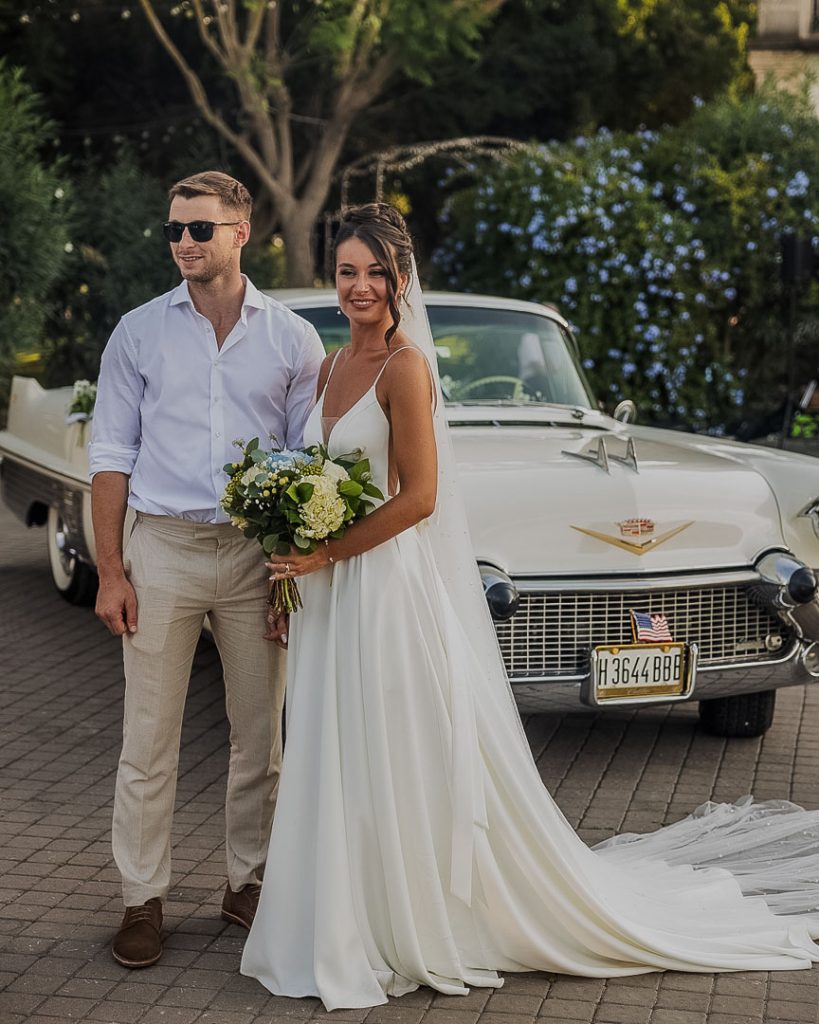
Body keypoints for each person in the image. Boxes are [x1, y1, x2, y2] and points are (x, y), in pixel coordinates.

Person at [241, 203, 819, 1010]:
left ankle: (400, 919)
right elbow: (319, 473)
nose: (361, 286)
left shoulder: (407, 367)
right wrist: (293, 566)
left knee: (388, 741)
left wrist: (323, 551)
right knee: (335, 741)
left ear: (403, 280)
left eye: (377, 272)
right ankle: (337, 912)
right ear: (332, 278)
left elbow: (421, 499)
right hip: (332, 591)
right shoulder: (333, 364)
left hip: (385, 587)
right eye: (347, 271)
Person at [89, 171, 324, 969]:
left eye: (198, 228)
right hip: (162, 550)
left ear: (240, 232)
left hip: (255, 557)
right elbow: (111, 456)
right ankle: (141, 900)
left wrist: (289, 575)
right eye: (174, 230)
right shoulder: (138, 332)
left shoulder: (292, 339)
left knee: (260, 740)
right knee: (146, 742)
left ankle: (246, 884)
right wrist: (111, 571)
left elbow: (304, 465)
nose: (183, 241)